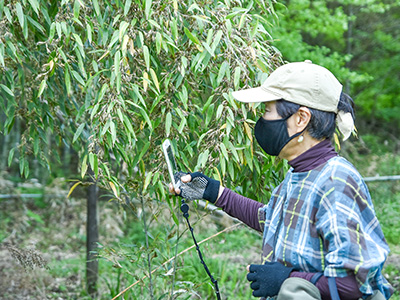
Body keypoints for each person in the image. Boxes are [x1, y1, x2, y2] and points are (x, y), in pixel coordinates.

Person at [169, 60, 393, 299]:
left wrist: (289, 279)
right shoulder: (301, 173)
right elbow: (274, 220)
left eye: (267, 111)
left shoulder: (335, 182)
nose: (262, 121)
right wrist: (213, 192)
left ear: (301, 119)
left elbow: (357, 284)